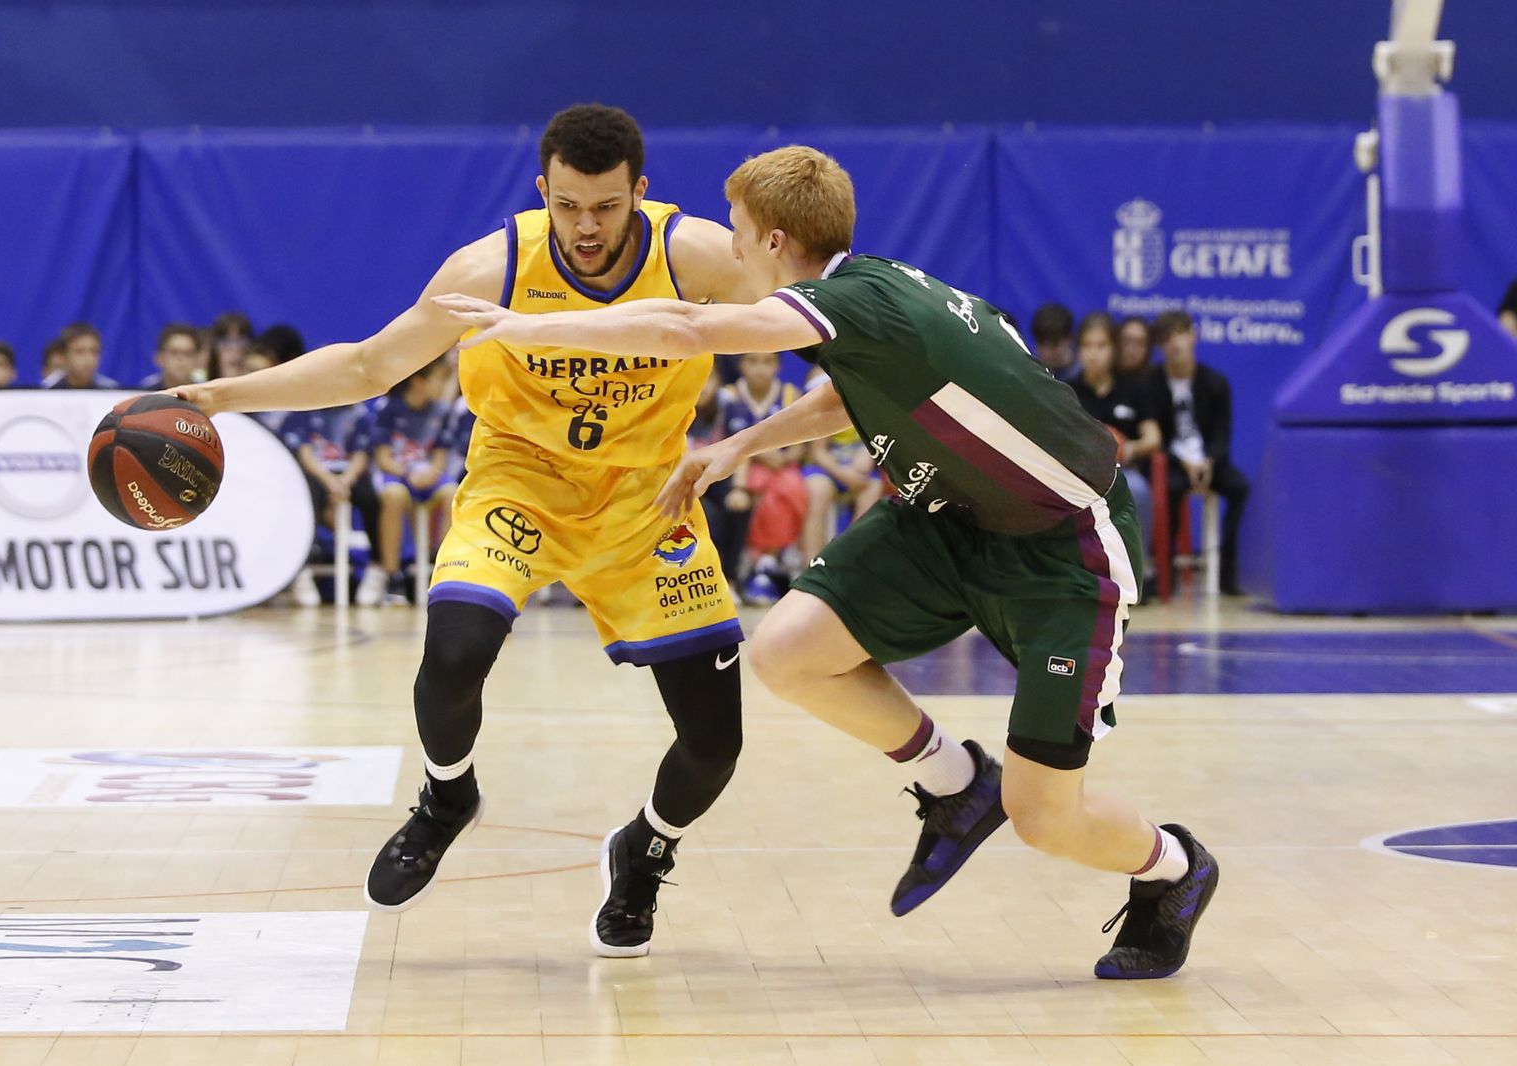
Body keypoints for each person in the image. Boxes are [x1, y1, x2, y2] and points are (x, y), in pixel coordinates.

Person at [434, 144, 1219, 981]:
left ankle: (1173, 871)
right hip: (950, 519)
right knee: (788, 651)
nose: (728, 250)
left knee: (1045, 818)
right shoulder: (871, 294)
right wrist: (739, 444)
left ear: (774, 242)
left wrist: (527, 326)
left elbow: (685, 327)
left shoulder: (851, 301)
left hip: (1062, 550)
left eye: (737, 233)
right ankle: (957, 785)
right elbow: (849, 394)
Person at [170, 104, 753, 958]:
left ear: (641, 192)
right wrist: (223, 397)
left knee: (715, 743)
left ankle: (645, 850)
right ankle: (447, 798)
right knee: (450, 657)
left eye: (606, 207)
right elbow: (370, 365)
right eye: (567, 206)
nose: (586, 227)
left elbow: (819, 314)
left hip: (645, 503)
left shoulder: (693, 255)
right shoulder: (493, 268)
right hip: (518, 487)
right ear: (542, 192)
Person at [1143, 311, 1250, 596]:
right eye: (1166, 338)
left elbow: (1222, 432)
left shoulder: (1216, 382)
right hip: (1174, 464)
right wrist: (1183, 463)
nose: (1175, 343)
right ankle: (1165, 572)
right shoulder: (1151, 384)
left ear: (1194, 335)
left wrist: (1209, 461)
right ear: (1159, 347)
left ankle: (1229, 569)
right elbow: (1155, 438)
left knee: (1240, 488)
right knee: (1168, 490)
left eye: (1180, 333)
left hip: (1210, 462)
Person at [1070, 313, 1160, 586]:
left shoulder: (1134, 389)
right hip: (1079, 475)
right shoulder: (1067, 390)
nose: (1094, 354)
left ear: (1113, 350)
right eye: (1087, 346)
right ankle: (1078, 572)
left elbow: (1153, 437)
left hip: (1122, 473)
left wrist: (1127, 448)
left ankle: (1138, 568)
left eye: (1101, 346)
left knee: (1141, 491)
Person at [369, 357, 462, 604]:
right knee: (393, 496)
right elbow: (383, 458)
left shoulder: (441, 412)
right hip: (398, 473)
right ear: (419, 381)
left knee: (453, 493)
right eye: (439, 379)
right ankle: (392, 575)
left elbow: (440, 456)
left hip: (428, 475)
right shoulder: (390, 408)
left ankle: (444, 567)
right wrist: (407, 472)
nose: (443, 385)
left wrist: (431, 472)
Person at [713, 351, 805, 600]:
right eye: (752, 362)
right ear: (741, 364)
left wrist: (784, 458)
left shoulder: (789, 394)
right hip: (742, 466)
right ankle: (756, 561)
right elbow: (721, 440)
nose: (759, 369)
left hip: (782, 467)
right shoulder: (729, 395)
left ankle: (768, 560)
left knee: (790, 486)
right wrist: (760, 452)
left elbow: (800, 444)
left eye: (767, 362)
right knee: (751, 484)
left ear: (778, 365)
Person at [280, 400, 385, 606]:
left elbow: (360, 455)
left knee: (370, 497)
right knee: (306, 497)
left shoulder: (359, 413)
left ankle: (377, 566)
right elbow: (305, 454)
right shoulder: (304, 410)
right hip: (317, 473)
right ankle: (302, 568)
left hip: (347, 474)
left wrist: (345, 480)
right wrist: (329, 481)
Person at [799, 364, 885, 565]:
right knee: (818, 492)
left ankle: (847, 565)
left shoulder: (870, 393)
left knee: (873, 489)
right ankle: (810, 568)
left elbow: (880, 434)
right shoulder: (820, 385)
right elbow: (817, 452)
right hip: (825, 467)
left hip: (856, 471)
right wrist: (844, 475)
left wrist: (869, 452)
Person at [43, 323, 118, 389]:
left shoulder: (111, 390)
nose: (89, 359)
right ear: (64, 356)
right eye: (79, 352)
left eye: (95, 352)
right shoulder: (47, 390)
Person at [139, 323, 205, 390]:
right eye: (174, 353)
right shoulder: (144, 393)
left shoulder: (204, 393)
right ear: (160, 358)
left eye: (188, 353)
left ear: (198, 359)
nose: (181, 359)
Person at [1029, 302, 1078, 382]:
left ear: (1070, 339)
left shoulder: (1086, 377)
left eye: (1054, 344)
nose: (1047, 352)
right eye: (1042, 344)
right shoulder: (1029, 375)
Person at [1115, 315, 1155, 382]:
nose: (1132, 349)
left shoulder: (1156, 383)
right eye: (1126, 341)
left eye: (1140, 343)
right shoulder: (1104, 380)